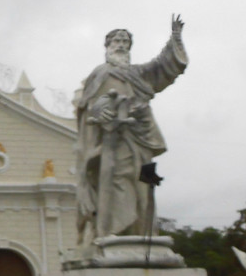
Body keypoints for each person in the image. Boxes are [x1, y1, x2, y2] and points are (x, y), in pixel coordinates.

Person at [74, 15, 188, 245]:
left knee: (143, 185)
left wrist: (175, 39)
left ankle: (142, 233)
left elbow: (161, 66)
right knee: (118, 181)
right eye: (116, 41)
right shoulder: (100, 74)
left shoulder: (137, 73)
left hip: (141, 137)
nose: (121, 45)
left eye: (126, 42)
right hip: (113, 139)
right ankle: (112, 231)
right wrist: (100, 113)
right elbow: (88, 107)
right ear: (107, 46)